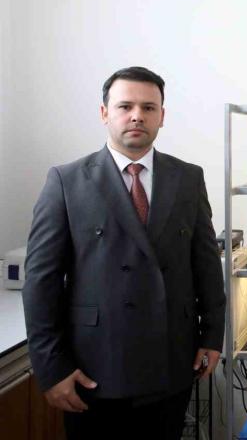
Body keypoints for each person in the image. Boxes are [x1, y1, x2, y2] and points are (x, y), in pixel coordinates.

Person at [23, 67, 226, 440]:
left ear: (162, 116)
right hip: (94, 366)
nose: (137, 116)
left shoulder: (187, 178)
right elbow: (41, 281)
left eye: (148, 108)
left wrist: (213, 336)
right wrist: (52, 368)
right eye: (125, 106)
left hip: (171, 360)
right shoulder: (67, 181)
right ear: (105, 113)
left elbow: (207, 266)